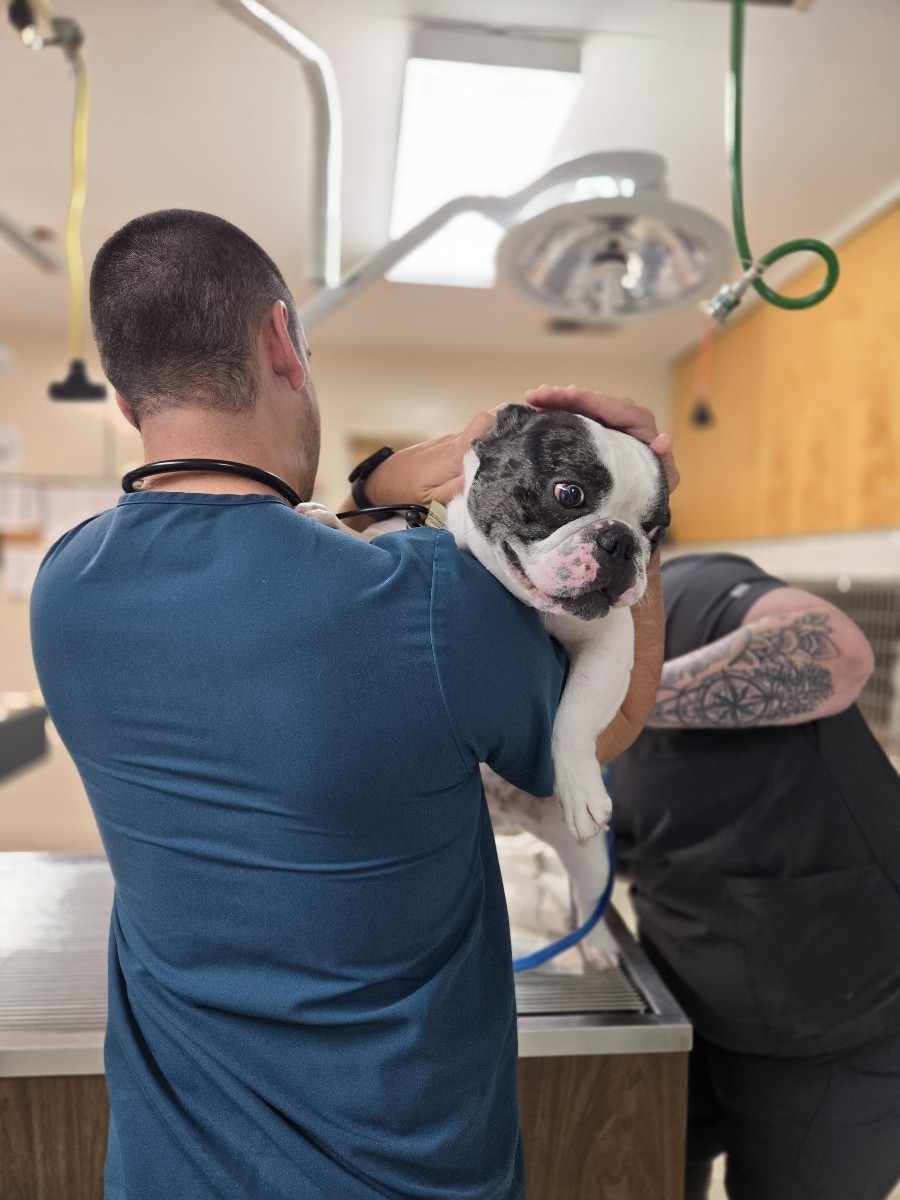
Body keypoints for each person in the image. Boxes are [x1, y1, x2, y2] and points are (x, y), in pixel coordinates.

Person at [29, 208, 676, 1200]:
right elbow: (604, 725)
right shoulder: (428, 598)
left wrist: (399, 475)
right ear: (283, 341)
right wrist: (635, 512)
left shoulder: (67, 585)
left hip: (171, 1169)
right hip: (404, 1172)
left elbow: (256, 540)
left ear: (124, 400)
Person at [613, 552, 900, 1200]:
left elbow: (837, 657)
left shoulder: (681, 596)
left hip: (834, 1002)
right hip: (699, 988)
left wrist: (622, 706)